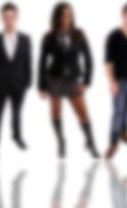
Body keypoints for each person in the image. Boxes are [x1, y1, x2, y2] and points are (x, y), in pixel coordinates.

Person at [38, 2, 99, 159]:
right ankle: (61, 141)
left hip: (73, 80)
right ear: (57, 17)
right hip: (55, 79)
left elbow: (89, 59)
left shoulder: (78, 34)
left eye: (69, 15)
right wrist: (42, 86)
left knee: (83, 113)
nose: (66, 18)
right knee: (56, 113)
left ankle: (90, 142)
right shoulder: (49, 37)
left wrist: (86, 81)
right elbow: (42, 62)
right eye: (63, 15)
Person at [0, 3, 32, 160]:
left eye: (12, 17)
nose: (9, 20)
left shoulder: (25, 40)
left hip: (19, 84)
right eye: (6, 17)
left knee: (17, 113)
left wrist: (27, 82)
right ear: (2, 19)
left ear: (16, 18)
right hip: (0, 84)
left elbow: (27, 62)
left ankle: (17, 137)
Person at [104, 3, 127, 159]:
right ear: (123, 15)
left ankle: (124, 134)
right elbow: (108, 62)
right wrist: (111, 82)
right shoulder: (113, 35)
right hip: (119, 81)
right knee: (118, 112)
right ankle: (113, 143)